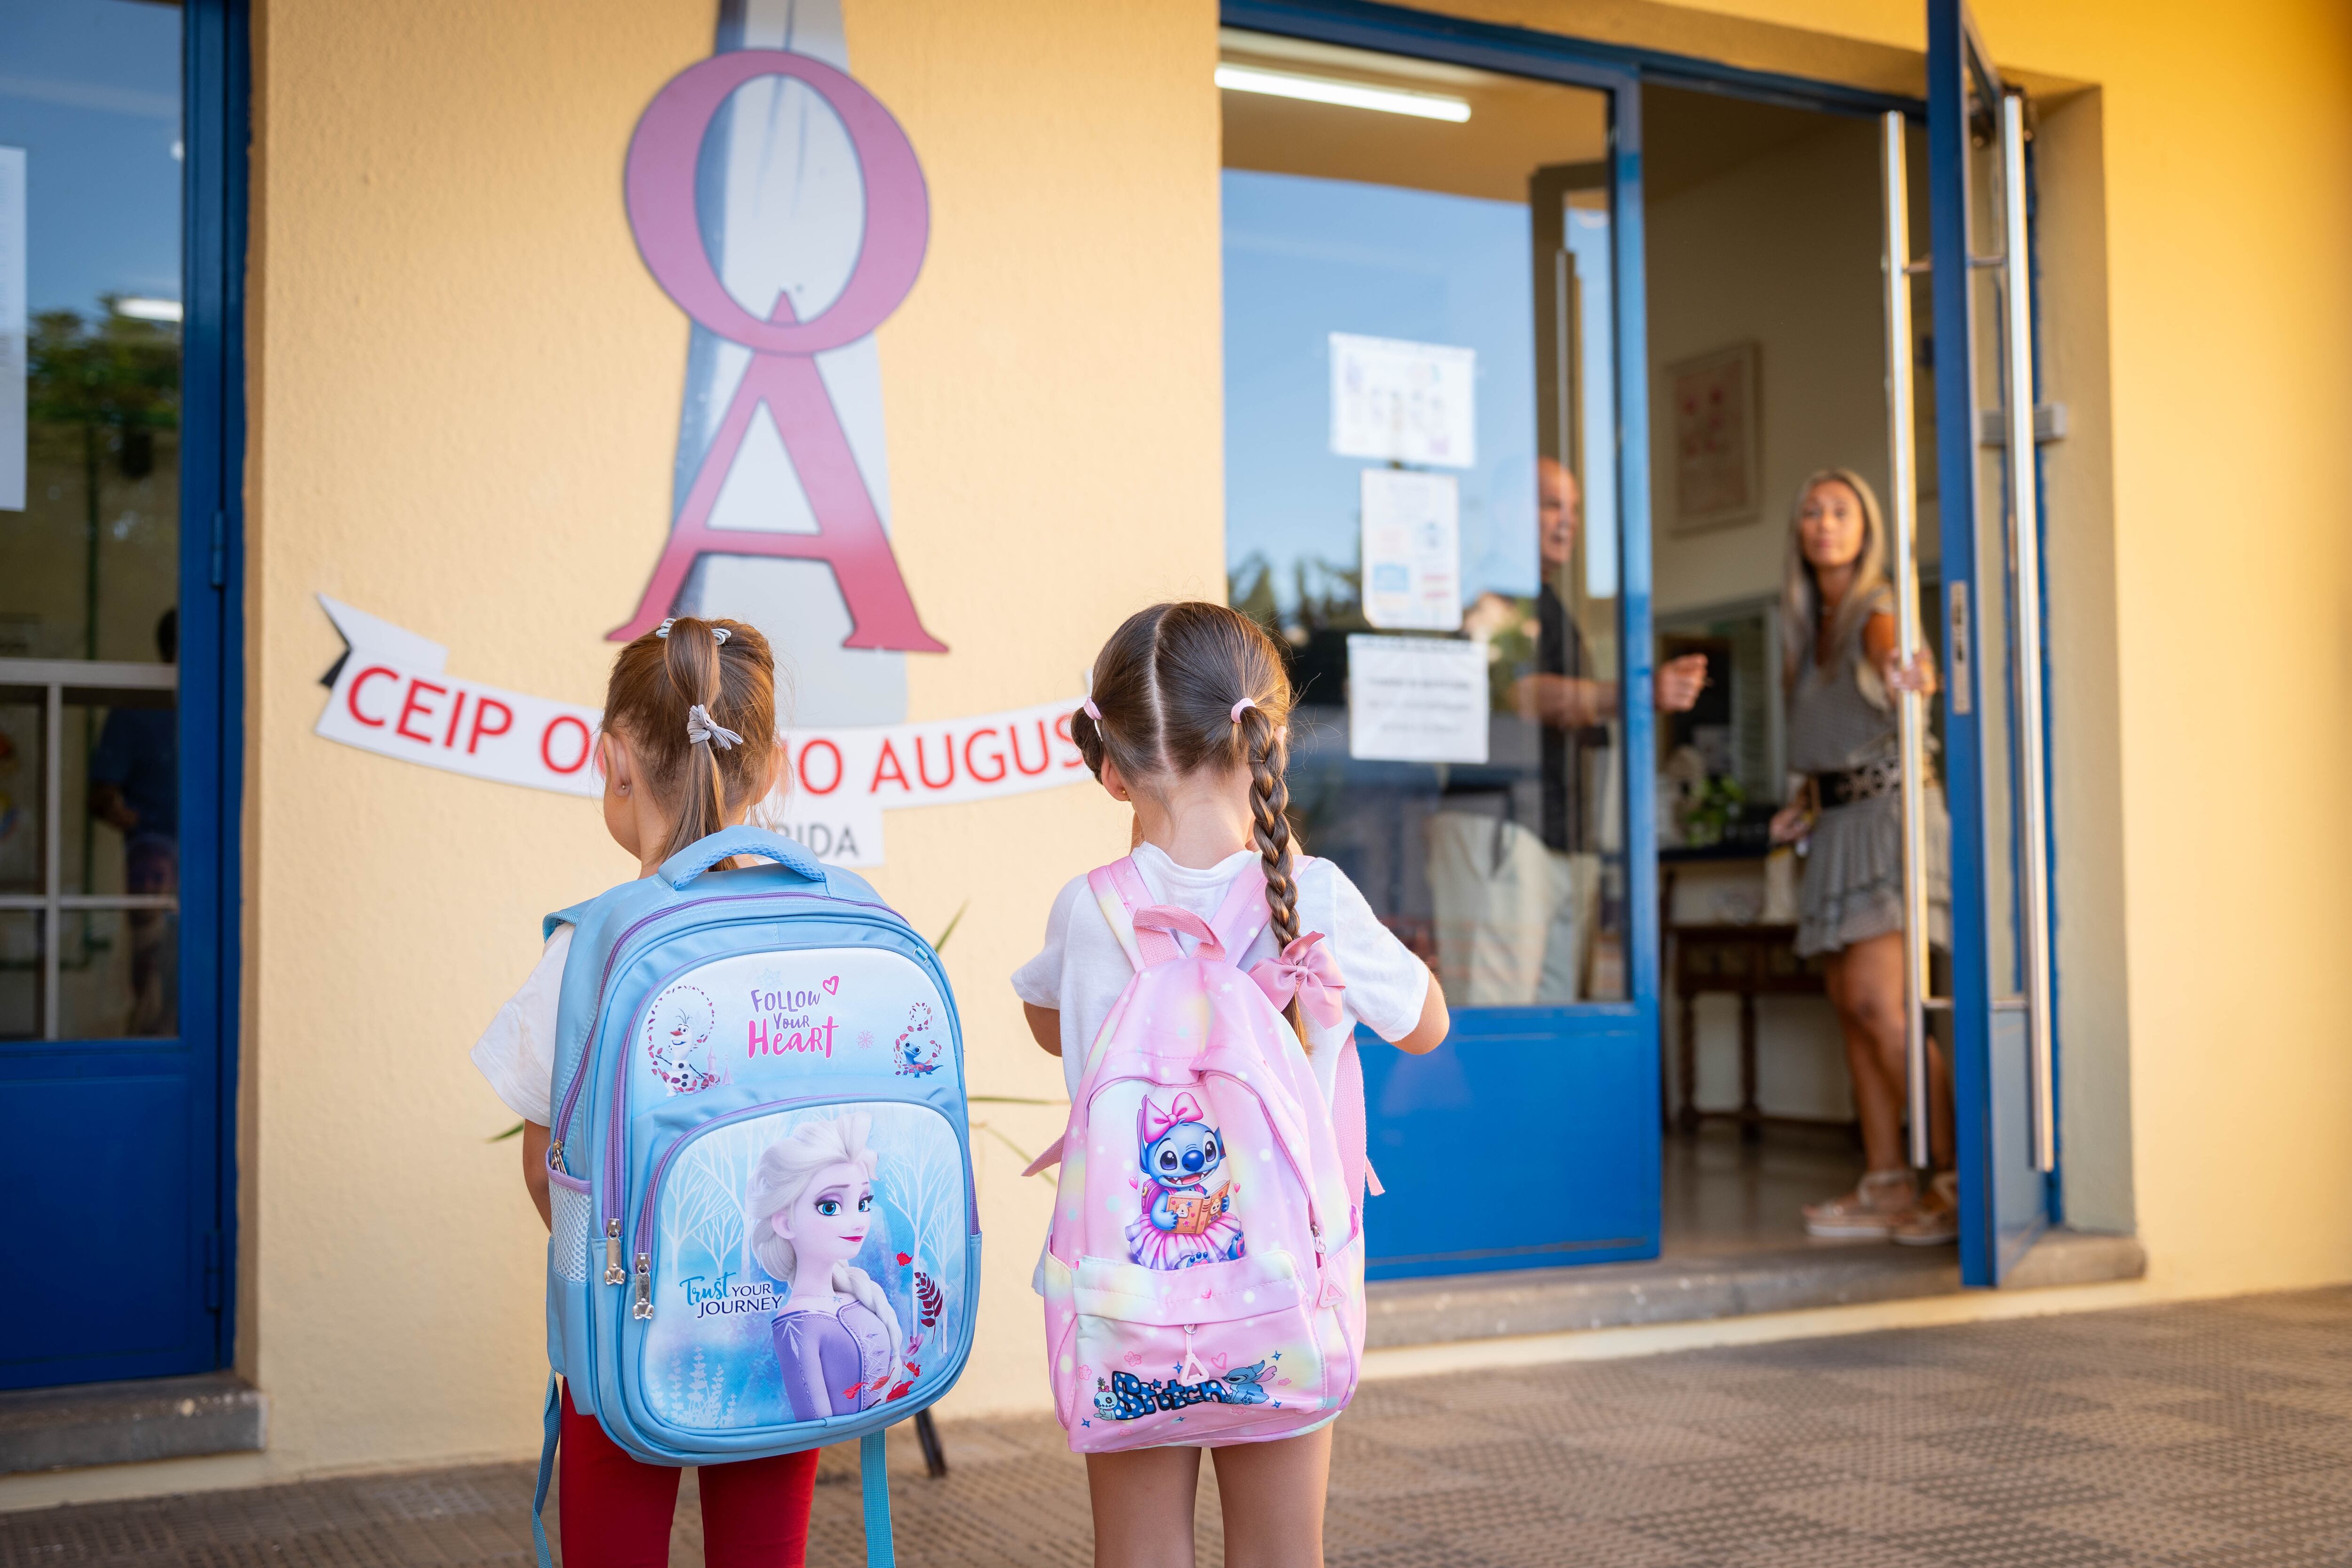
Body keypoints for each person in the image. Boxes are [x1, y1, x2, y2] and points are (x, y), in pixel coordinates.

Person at [1015, 602, 1449, 1568]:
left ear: (1109, 763)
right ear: (1269, 740)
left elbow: (1046, 1023)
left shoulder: (1088, 912)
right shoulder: (1317, 898)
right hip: (1284, 1287)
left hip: (1126, 1292)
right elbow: (1427, 1024)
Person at [469, 616, 820, 1568]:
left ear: (616, 759)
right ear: (774, 765)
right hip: (784, 1327)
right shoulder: (817, 937)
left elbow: (551, 1166)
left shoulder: (588, 950)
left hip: (622, 1339)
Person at [1765, 471, 1957, 1247]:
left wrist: (1911, 673)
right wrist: (1803, 808)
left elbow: (1900, 663)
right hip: (1836, 825)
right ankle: (1886, 1180)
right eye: (1811, 509)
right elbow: (1831, 744)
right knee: (1851, 1006)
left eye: (1841, 510)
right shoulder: (1805, 629)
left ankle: (1953, 1175)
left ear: (1866, 526)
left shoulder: (1876, 608)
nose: (1824, 522)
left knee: (1883, 1004)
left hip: (1887, 823)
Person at [1507, 458, 1708, 1001]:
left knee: (1555, 1021)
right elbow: (1519, 694)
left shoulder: (1553, 607)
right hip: (1512, 834)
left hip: (1569, 839)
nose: (1566, 522)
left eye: (1573, 509)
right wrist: (1637, 694)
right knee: (1508, 1024)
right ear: (1509, 510)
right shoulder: (1500, 597)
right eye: (1551, 504)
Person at [745, 1112, 908, 1422]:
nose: (858, 1220)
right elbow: (814, 1424)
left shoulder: (854, 1292)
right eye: (830, 1206)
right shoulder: (797, 1322)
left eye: (863, 1203)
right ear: (785, 1222)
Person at [89, 608, 180, 1034]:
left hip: (221, 850)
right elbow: (102, 793)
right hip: (156, 849)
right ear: (170, 650)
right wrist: (120, 813)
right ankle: (152, 1035)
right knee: (153, 874)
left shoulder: (230, 700)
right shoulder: (137, 710)